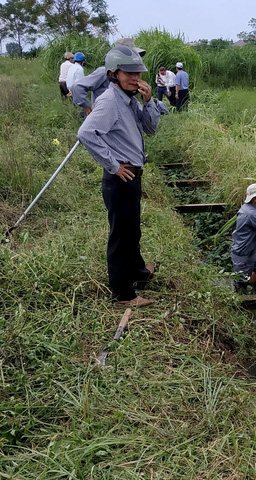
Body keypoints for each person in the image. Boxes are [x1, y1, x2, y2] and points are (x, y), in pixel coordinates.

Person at [77, 45, 161, 307]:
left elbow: (151, 129)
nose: (136, 78)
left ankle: (137, 272)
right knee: (121, 235)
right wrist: (113, 165)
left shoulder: (131, 100)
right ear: (114, 74)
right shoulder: (110, 101)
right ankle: (123, 294)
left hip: (132, 175)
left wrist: (149, 102)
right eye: (129, 73)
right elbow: (86, 134)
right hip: (120, 178)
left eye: (138, 73)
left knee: (132, 230)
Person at [71, 38, 146, 117]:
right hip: (104, 117)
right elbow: (77, 87)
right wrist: (88, 110)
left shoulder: (131, 78)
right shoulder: (104, 72)